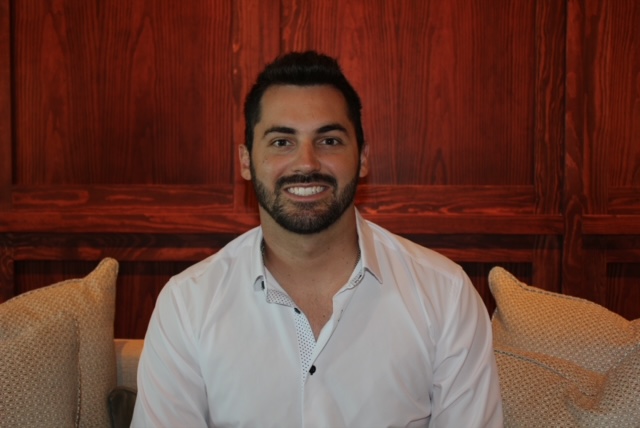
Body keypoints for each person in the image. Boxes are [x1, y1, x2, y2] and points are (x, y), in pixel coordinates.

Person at [132, 51, 503, 427]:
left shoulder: (444, 295)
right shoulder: (187, 304)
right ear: (246, 161)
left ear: (363, 158)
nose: (307, 163)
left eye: (329, 141)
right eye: (281, 142)